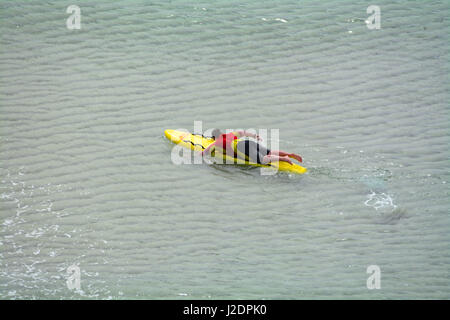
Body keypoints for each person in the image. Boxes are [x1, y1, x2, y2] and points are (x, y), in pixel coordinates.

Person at [201, 128, 302, 165]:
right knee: (269, 152)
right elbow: (242, 132)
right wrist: (255, 136)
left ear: (214, 137)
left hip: (242, 148)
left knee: (262, 160)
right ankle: (290, 154)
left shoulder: (215, 143)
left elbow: (203, 153)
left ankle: (284, 159)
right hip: (248, 141)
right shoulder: (230, 134)